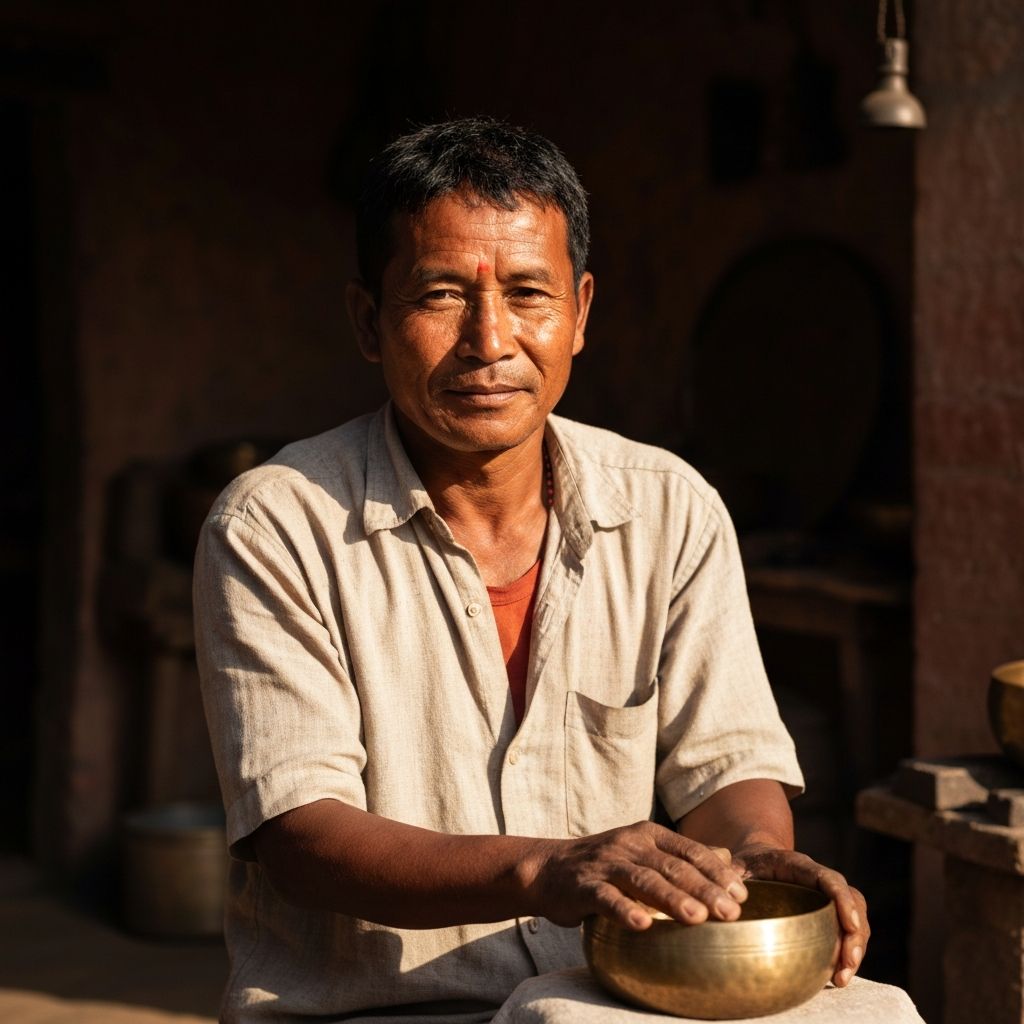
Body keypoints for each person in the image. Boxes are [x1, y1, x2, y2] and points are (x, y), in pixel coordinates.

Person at [194, 116, 869, 1024]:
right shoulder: (275, 522)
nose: (489, 339)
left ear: (580, 314)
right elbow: (299, 833)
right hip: (381, 1012)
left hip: (612, 994)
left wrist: (746, 859)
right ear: (368, 320)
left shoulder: (668, 507)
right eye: (440, 294)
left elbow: (726, 764)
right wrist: (544, 869)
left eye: (526, 294)